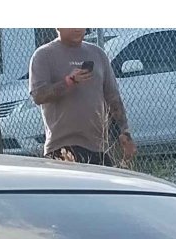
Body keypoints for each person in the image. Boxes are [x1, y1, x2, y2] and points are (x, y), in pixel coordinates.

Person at [28, 28, 135, 167]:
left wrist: (124, 132)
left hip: (98, 148)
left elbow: (113, 98)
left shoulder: (98, 54)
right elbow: (38, 95)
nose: (78, 28)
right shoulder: (43, 55)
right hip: (62, 148)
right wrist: (69, 81)